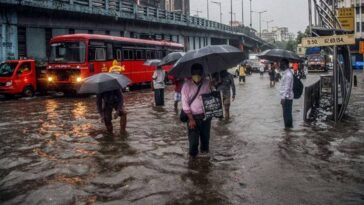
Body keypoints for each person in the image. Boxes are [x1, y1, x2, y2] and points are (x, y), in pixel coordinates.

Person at [181, 63, 212, 158]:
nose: (197, 75)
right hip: (193, 117)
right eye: (195, 72)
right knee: (193, 144)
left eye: (199, 72)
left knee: (205, 141)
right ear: (191, 73)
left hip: (206, 117)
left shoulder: (207, 83)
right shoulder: (186, 86)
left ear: (202, 73)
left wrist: (214, 86)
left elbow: (211, 98)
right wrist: (191, 119)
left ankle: (204, 163)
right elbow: (184, 104)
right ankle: (192, 163)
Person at [279, 59, 294, 129]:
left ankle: (288, 129)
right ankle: (289, 130)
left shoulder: (288, 74)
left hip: (287, 98)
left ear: (285, 65)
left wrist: (283, 98)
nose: (280, 65)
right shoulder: (286, 73)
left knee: (287, 114)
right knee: (286, 114)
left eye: (281, 64)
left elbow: (287, 88)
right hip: (286, 97)